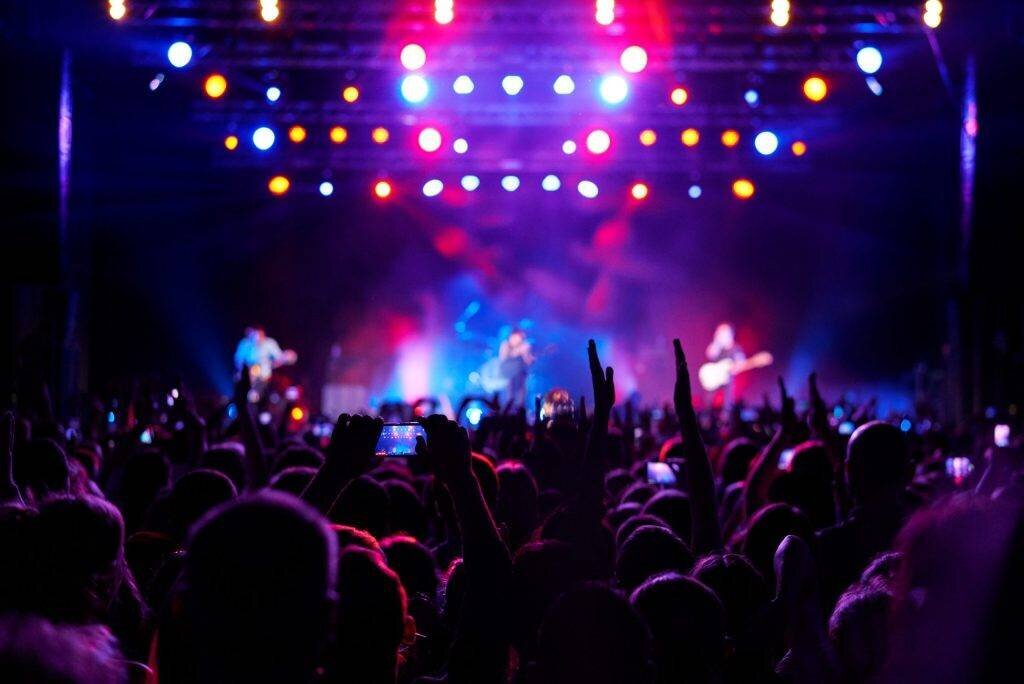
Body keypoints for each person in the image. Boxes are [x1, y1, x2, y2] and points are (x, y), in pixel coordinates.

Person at [233, 325, 297, 388]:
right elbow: (239, 359)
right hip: (245, 368)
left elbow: (276, 360)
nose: (257, 337)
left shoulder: (270, 344)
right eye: (254, 334)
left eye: (287, 360)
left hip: (256, 373)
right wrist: (241, 371)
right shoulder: (244, 344)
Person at [498, 328, 535, 408]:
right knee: (509, 395)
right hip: (508, 374)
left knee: (521, 395)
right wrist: (517, 351)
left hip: (520, 375)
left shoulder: (525, 346)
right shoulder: (505, 344)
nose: (520, 339)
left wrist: (529, 356)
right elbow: (503, 358)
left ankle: (519, 411)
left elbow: (528, 361)